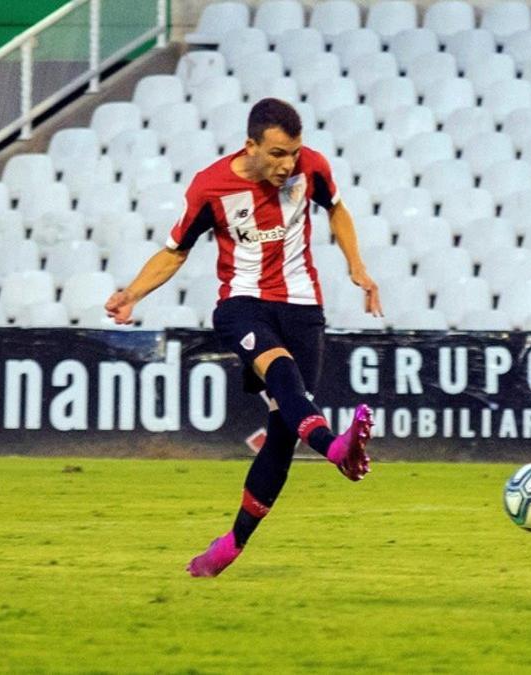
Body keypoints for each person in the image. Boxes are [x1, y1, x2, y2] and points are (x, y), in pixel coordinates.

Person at [104, 98, 383, 577]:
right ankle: (337, 448)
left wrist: (357, 265)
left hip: (303, 308)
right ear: (250, 145)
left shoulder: (311, 167)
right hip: (243, 305)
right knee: (283, 375)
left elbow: (337, 210)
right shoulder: (211, 186)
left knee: (282, 435)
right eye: (276, 154)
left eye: (292, 153)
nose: (287, 164)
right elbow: (176, 252)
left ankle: (230, 546)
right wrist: (132, 292)